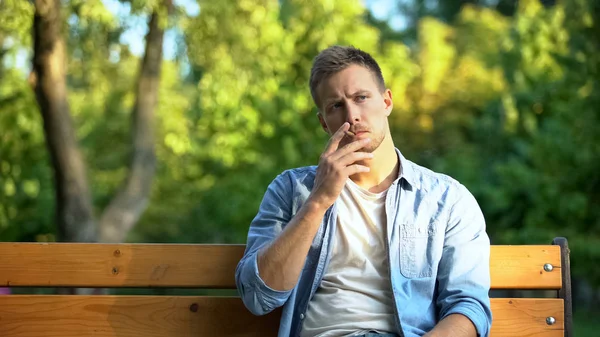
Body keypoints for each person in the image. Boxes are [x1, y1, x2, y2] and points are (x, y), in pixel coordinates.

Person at [235, 45, 492, 337]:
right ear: (324, 122)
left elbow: (468, 307)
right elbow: (258, 297)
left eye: (361, 98)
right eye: (336, 106)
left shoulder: (446, 200)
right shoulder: (290, 191)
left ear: (386, 102)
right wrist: (318, 201)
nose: (352, 115)